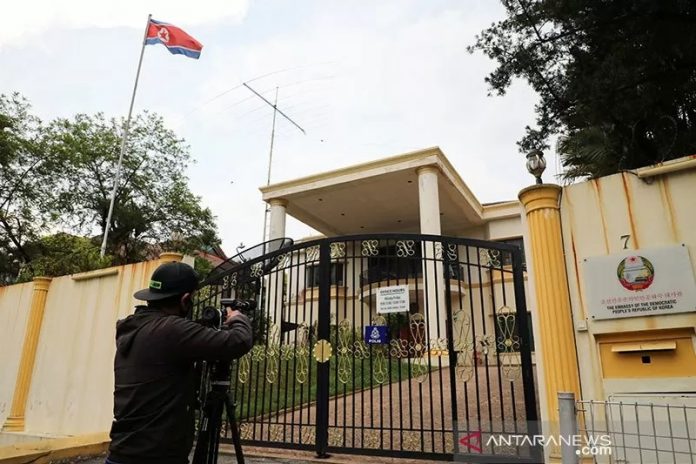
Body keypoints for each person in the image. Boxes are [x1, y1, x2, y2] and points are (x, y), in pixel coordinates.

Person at [106, 261, 253, 464]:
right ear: (185, 299)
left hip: (122, 451)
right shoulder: (171, 330)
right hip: (157, 456)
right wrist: (237, 318)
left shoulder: (136, 328)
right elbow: (238, 341)